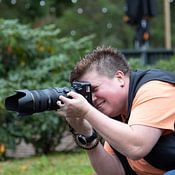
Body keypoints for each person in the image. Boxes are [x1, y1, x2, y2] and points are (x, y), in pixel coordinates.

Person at [57, 46, 175, 175]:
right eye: (87, 94)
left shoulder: (155, 89)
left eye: (94, 89)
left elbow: (137, 147)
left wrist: (87, 111)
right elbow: (114, 172)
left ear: (119, 78)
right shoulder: (117, 111)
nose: (92, 99)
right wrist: (86, 134)